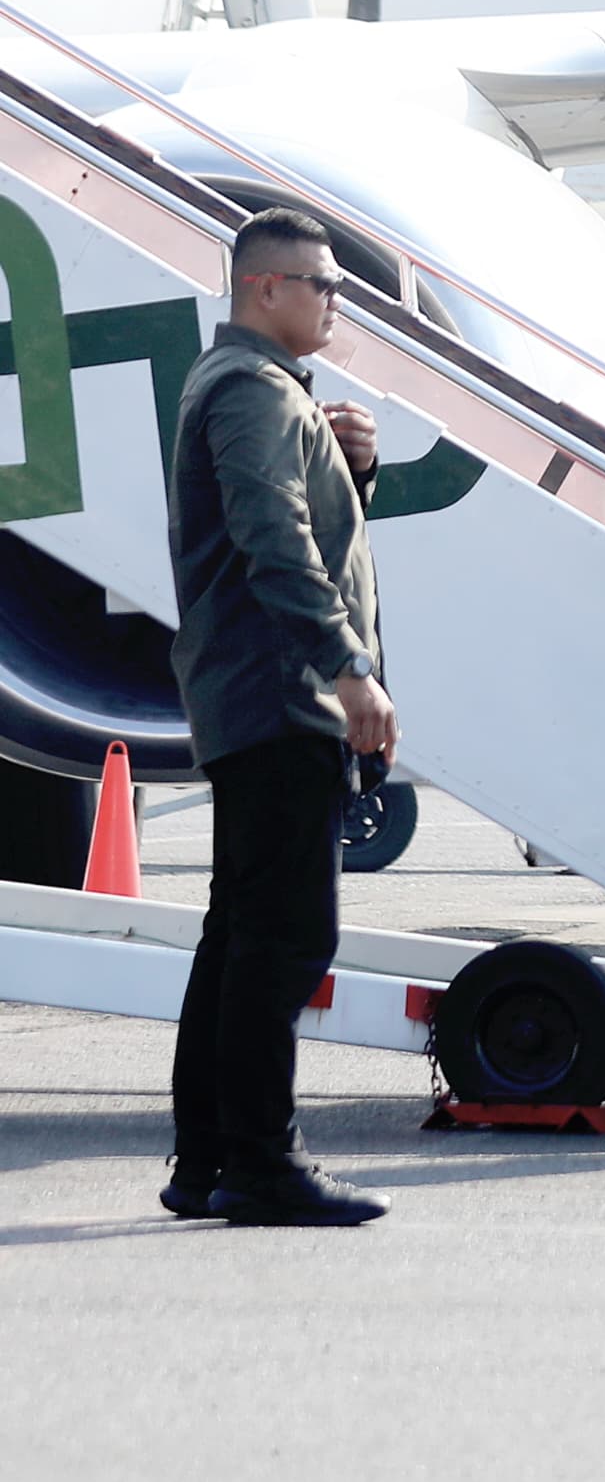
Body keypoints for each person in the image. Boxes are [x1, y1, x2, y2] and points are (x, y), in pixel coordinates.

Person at [161, 209, 395, 1227]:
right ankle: (259, 1159)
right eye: (323, 284)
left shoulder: (260, 394)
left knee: (240, 937)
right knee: (285, 940)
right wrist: (345, 667)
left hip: (252, 694)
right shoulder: (252, 393)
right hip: (277, 697)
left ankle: (208, 1157)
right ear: (265, 288)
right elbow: (274, 540)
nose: (336, 301)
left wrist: (350, 464)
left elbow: (304, 522)